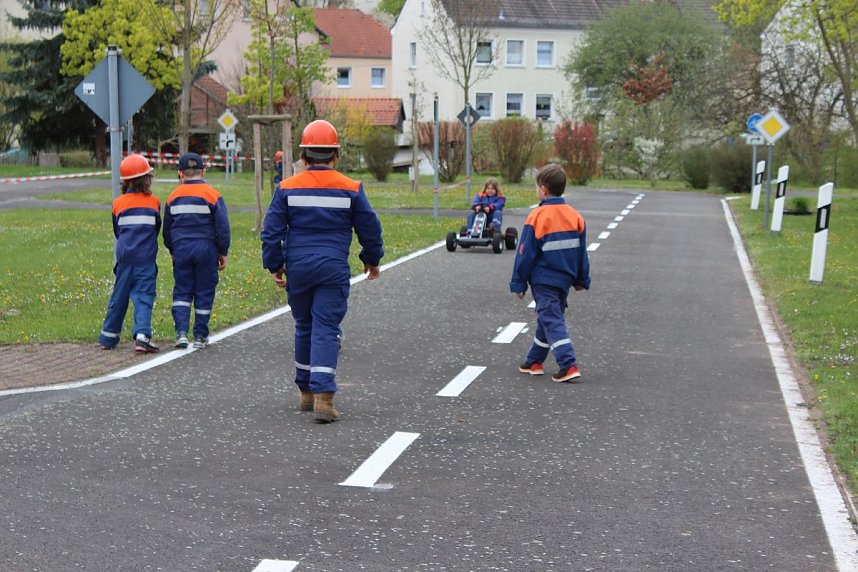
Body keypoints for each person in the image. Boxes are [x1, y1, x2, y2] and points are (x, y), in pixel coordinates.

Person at [261, 119, 384, 423]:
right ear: (335, 155)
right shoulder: (351, 188)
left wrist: (275, 264)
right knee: (326, 327)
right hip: (332, 267)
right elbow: (369, 228)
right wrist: (371, 259)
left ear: (303, 156)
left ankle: (305, 393)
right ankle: (324, 398)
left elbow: (271, 231)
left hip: (299, 267)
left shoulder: (286, 187)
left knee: (304, 326)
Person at [509, 163, 590, 382]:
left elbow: (525, 253)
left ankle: (568, 364)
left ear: (543, 189)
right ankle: (534, 360)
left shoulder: (537, 216)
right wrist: (582, 279)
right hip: (565, 280)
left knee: (552, 319)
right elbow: (582, 252)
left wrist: (519, 283)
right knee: (549, 317)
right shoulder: (575, 217)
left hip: (543, 280)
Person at [163, 153, 231, 350]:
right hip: (206, 249)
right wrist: (222, 251)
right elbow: (222, 227)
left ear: (180, 173)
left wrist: (172, 248)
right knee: (204, 290)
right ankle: (200, 335)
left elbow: (167, 228)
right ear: (203, 171)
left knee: (182, 289)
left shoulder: (173, 197)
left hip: (182, 248)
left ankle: (181, 333)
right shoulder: (213, 195)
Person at [98, 154, 162, 353]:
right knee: (143, 296)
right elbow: (156, 229)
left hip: (125, 259)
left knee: (119, 296)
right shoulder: (154, 203)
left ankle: (108, 337)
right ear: (146, 179)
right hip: (145, 260)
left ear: (124, 181)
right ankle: (142, 336)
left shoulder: (118, 204)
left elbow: (117, 230)